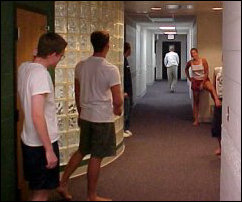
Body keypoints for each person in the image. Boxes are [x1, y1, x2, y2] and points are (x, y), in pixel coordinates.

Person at [57, 31, 123, 201]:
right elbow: (117, 98)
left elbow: (77, 92)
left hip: (86, 115)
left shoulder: (81, 66)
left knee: (82, 150)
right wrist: (119, 109)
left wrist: (80, 112)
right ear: (107, 46)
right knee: (97, 155)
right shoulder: (110, 69)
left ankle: (62, 182)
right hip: (102, 118)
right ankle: (91, 196)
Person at [17, 32, 67, 201]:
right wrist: (49, 150)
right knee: (41, 193)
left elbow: (34, 58)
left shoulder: (24, 68)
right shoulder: (41, 75)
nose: (60, 59)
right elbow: (37, 115)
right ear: (52, 54)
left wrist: (36, 54)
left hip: (28, 140)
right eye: (61, 56)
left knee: (36, 188)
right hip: (40, 145)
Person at [185, 48, 222, 126]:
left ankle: (216, 100)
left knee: (211, 87)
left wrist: (202, 83)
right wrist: (189, 78)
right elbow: (186, 69)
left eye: (194, 53)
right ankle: (196, 120)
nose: (193, 54)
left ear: (197, 53)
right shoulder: (190, 63)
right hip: (195, 81)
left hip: (204, 80)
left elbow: (206, 72)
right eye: (191, 53)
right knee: (196, 101)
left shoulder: (203, 60)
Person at [211, 66, 223, 156]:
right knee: (217, 125)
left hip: (230, 101)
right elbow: (213, 86)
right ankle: (221, 147)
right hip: (219, 100)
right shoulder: (217, 70)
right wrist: (216, 99)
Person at [123, 42, 133, 138]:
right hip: (125, 91)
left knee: (129, 108)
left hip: (129, 90)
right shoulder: (123, 61)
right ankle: (124, 129)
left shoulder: (125, 60)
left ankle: (126, 128)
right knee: (126, 109)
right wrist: (124, 91)